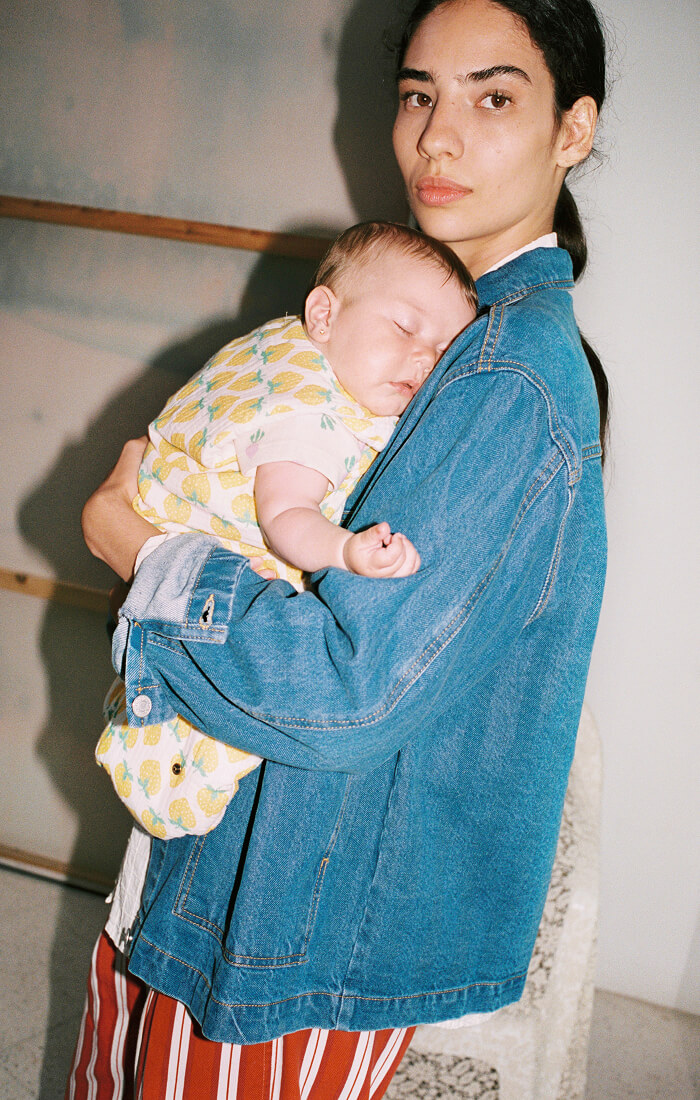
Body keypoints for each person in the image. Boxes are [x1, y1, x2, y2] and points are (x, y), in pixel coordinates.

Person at [69, 0, 610, 1096]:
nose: (437, 137)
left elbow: (345, 693)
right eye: (418, 94)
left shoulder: (504, 377)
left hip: (290, 915)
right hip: (230, 856)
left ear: (573, 129)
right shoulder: (434, 321)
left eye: (493, 98)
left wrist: (144, 552)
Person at [96, 221, 477, 841]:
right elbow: (284, 520)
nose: (423, 358)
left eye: (443, 351)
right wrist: (346, 549)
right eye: (405, 327)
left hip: (156, 564)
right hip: (200, 579)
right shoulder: (307, 414)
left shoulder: (285, 355)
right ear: (323, 315)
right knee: (206, 738)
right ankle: (160, 764)